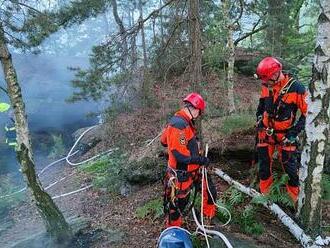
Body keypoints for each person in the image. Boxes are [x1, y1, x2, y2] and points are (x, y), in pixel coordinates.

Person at [255, 57, 307, 203]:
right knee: (264, 166)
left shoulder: (297, 88)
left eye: (266, 80)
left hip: (286, 135)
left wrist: (293, 133)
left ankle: (293, 200)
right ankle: (265, 198)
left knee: (290, 170)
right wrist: (259, 119)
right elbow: (261, 106)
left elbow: (307, 115)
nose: (264, 83)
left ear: (275, 74)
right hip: (265, 132)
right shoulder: (266, 85)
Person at [160, 92, 216, 227]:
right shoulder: (178, 125)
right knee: (177, 205)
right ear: (195, 108)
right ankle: (173, 230)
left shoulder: (183, 122)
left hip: (193, 170)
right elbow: (180, 155)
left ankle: (208, 218)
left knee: (210, 191)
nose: (199, 115)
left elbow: (164, 141)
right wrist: (201, 160)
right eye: (199, 112)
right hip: (181, 175)